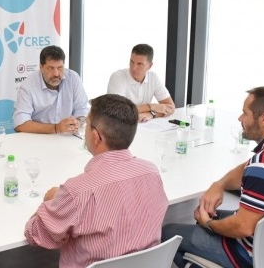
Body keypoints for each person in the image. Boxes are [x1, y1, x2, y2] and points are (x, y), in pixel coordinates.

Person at [161, 86, 264, 268]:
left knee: (168, 234)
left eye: (245, 113)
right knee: (206, 217)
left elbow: (243, 227)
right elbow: (246, 168)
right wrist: (219, 184)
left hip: (251, 254)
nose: (240, 118)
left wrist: (209, 224)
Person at [24, 94, 168, 268]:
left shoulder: (76, 191)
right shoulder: (151, 173)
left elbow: (35, 234)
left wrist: (51, 202)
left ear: (96, 136)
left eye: (86, 124)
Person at [13, 45, 89, 134]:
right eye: (50, 68)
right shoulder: (28, 85)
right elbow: (20, 124)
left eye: (60, 68)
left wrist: (77, 122)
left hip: (67, 135)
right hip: (39, 136)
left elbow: (82, 110)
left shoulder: (73, 78)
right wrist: (55, 128)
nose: (56, 74)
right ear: (41, 67)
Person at [107, 43, 175, 122]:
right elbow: (118, 111)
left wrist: (151, 114)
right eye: (132, 62)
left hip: (142, 124)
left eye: (139, 64)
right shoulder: (118, 77)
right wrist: (151, 107)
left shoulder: (153, 77)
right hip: (119, 125)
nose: (134, 68)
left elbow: (171, 107)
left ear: (149, 66)